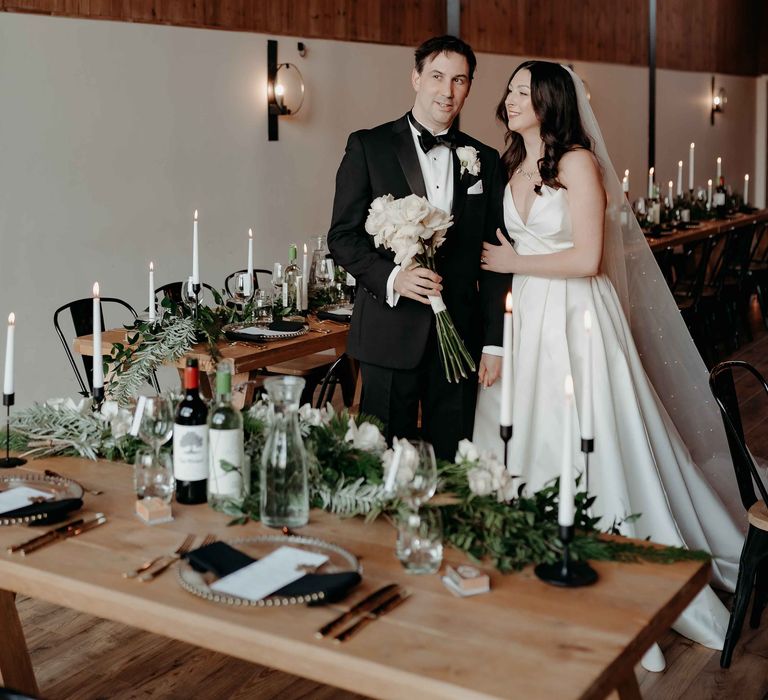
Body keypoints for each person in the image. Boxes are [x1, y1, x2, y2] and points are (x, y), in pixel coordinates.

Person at [474, 60, 744, 670]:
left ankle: (603, 560)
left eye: (522, 91)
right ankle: (535, 556)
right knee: (532, 433)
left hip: (575, 318)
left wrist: (512, 263)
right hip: (527, 320)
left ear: (548, 101)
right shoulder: (508, 162)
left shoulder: (576, 163)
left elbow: (589, 258)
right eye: (510, 90)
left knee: (587, 433)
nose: (511, 98)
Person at [328, 35, 510, 460]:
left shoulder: (485, 159)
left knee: (454, 463)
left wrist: (496, 343)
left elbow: (496, 256)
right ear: (416, 78)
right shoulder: (369, 146)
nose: (447, 91)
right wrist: (394, 277)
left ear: (469, 86)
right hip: (389, 334)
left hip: (461, 341)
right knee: (383, 463)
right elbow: (342, 236)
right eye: (437, 76)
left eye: (459, 80)